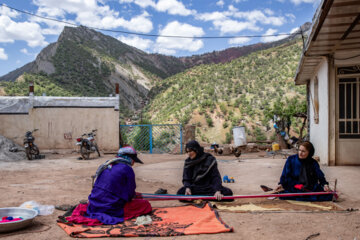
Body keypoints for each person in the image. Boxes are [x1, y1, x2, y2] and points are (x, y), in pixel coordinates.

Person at [86, 146, 152, 224]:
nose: (134, 162)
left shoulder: (107, 165)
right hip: (110, 207)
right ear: (129, 158)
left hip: (94, 204)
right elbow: (130, 194)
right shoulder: (127, 169)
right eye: (133, 160)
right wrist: (133, 196)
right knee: (146, 205)